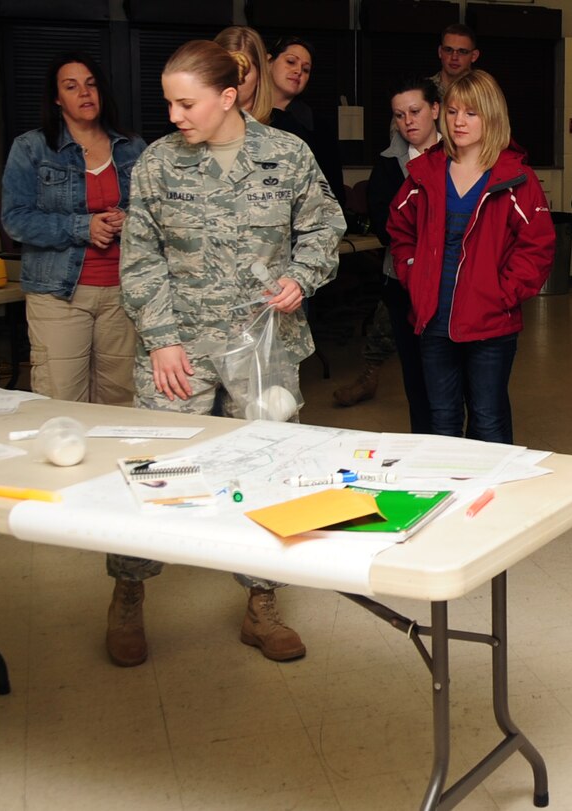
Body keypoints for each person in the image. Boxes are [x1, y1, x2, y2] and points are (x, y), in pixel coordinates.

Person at [110, 40, 345, 668]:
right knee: (158, 473)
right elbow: (140, 256)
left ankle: (262, 603)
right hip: (180, 348)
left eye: (186, 103)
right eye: (169, 102)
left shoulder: (286, 154)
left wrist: (303, 275)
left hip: (266, 346)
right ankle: (129, 591)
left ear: (228, 95)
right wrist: (161, 339)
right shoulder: (157, 163)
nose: (175, 115)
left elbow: (325, 227)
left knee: (272, 472)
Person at [387, 70, 554, 443]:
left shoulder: (516, 178)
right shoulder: (426, 172)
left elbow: (538, 247)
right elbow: (399, 230)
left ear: (491, 116)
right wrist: (413, 274)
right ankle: (450, 500)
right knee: (441, 419)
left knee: (488, 418)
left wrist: (502, 293)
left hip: (490, 322)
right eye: (453, 112)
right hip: (433, 319)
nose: (459, 122)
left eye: (471, 113)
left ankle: (493, 501)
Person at [1, 52, 145, 405]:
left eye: (91, 84)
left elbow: (156, 215)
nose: (84, 93)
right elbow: (15, 218)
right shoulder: (31, 147)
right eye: (71, 86)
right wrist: (83, 226)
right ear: (56, 98)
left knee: (122, 403)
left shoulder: (132, 147)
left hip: (122, 294)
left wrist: (130, 220)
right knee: (62, 401)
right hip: (58, 295)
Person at [333, 77, 441, 432]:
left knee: (452, 376)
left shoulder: (459, 156)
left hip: (452, 283)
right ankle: (425, 442)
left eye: (415, 111)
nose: (408, 121)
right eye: (399, 115)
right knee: (416, 375)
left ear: (435, 110)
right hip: (402, 281)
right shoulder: (388, 166)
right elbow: (386, 226)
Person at [267, 35, 349, 221]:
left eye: (306, 69)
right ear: (268, 61)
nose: (298, 71)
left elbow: (333, 193)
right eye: (290, 62)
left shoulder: (317, 127)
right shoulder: (246, 116)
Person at [214, 26, 274, 124]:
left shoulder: (285, 128)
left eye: (242, 70)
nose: (232, 80)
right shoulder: (191, 130)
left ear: (259, 74)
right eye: (222, 70)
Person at [431, 23, 479, 99]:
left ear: (474, 56)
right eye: (448, 50)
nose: (454, 57)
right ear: (440, 52)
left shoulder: (482, 92)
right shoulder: (424, 90)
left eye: (462, 51)